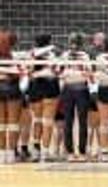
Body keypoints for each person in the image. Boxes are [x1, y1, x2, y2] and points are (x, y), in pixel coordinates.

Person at [59, 32, 94, 162]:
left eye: (75, 43)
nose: (73, 45)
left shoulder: (84, 56)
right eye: (72, 42)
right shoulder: (65, 55)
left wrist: (80, 73)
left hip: (81, 89)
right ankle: (70, 152)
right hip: (69, 89)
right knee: (69, 121)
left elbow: (89, 72)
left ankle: (82, 151)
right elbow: (59, 71)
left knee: (82, 121)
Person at [27, 33, 60, 162]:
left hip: (35, 85)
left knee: (37, 120)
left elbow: (29, 71)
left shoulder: (32, 53)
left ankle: (36, 151)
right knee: (48, 121)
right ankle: (45, 152)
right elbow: (57, 71)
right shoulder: (53, 53)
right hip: (49, 85)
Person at [0, 30, 22, 163]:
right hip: (12, 88)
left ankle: (2, 154)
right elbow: (20, 73)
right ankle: (10, 153)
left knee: (1, 123)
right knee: (13, 122)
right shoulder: (15, 56)